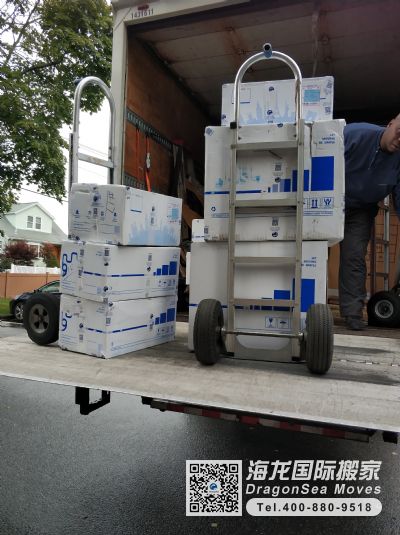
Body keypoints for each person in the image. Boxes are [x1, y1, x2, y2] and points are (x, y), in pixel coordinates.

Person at [339, 115, 400, 330]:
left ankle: (353, 313)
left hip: (361, 210)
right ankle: (306, 306)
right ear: (390, 124)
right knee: (313, 253)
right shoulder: (354, 134)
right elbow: (319, 157)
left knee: (354, 256)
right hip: (329, 201)